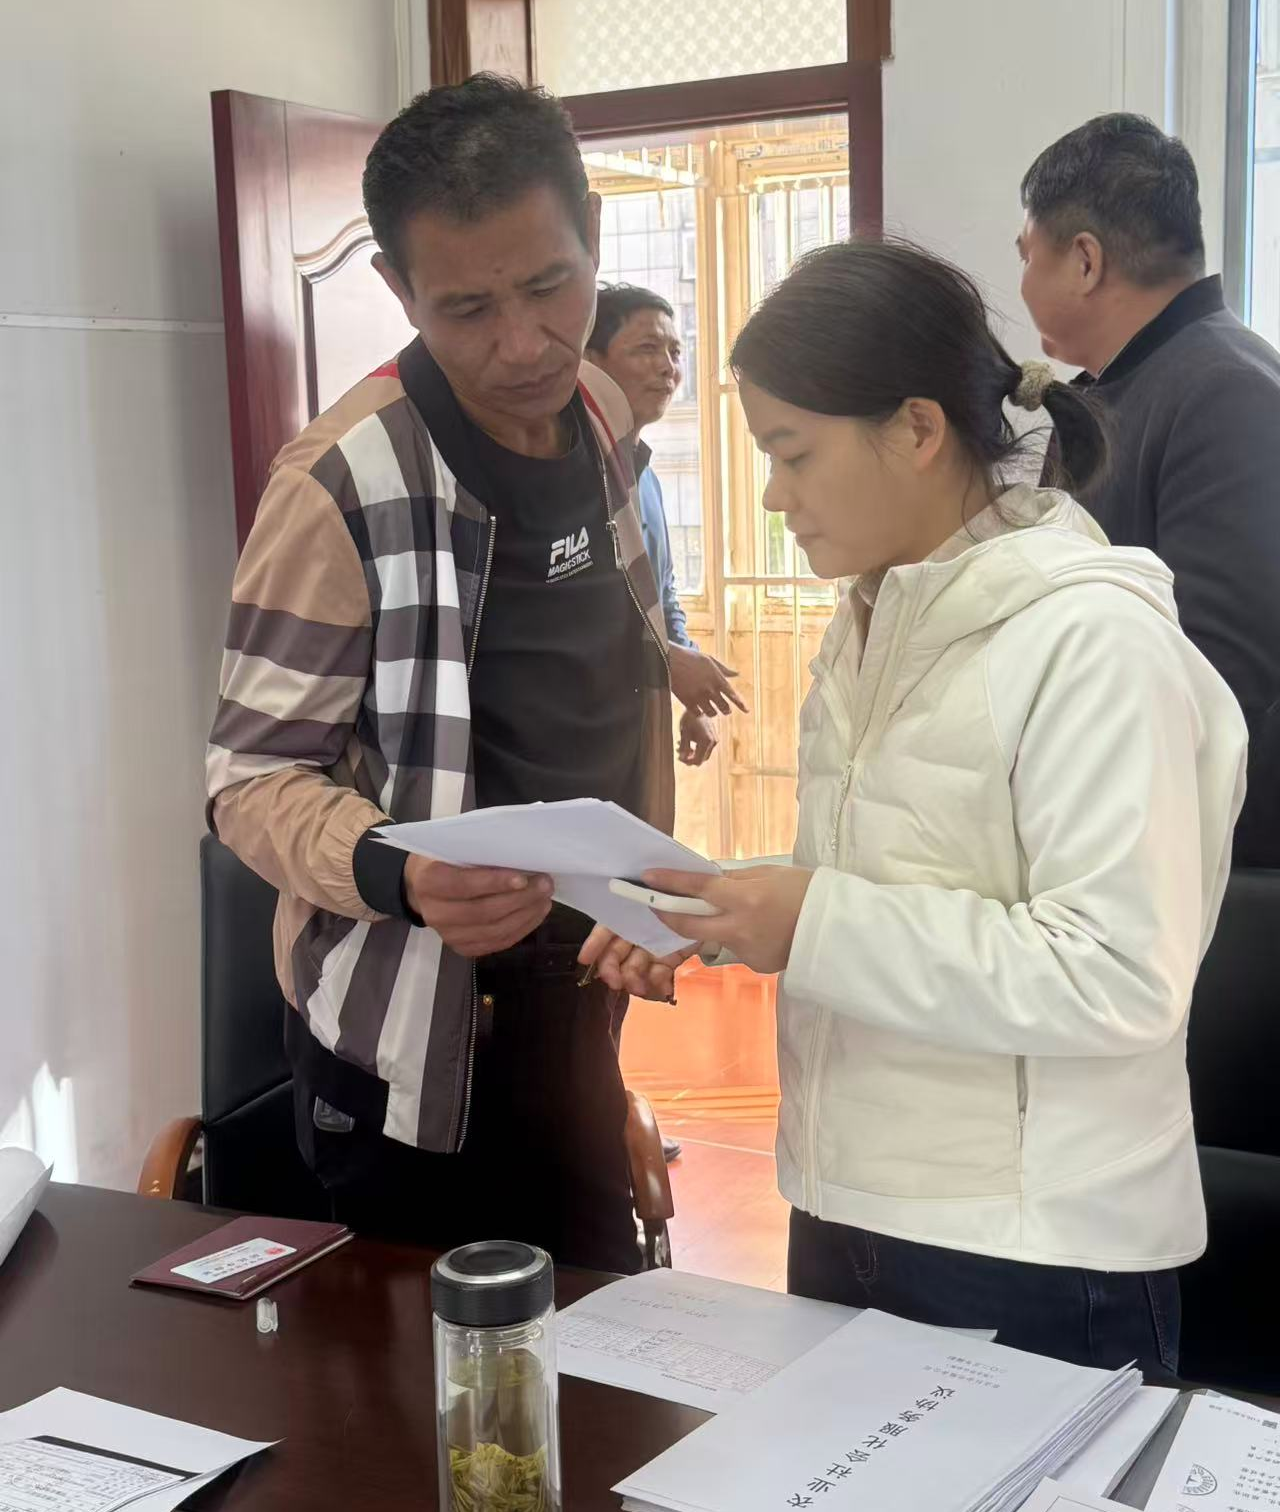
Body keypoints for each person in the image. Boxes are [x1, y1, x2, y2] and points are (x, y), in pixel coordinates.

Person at [581, 238, 1247, 1377]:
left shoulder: (1090, 641)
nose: (772, 495)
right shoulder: (873, 619)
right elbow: (883, 882)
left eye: (792, 453)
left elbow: (1116, 975)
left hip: (1032, 1247)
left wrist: (805, 919)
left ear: (918, 428)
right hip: (847, 1198)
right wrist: (722, 910)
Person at [206, 75, 676, 1275]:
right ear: (396, 289)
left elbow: (595, 658)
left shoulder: (599, 411)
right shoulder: (338, 485)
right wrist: (400, 871)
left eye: (549, 287)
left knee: (601, 1339)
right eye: (465, 308)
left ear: (593, 237)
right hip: (411, 1034)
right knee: (431, 1371)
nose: (521, 345)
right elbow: (248, 780)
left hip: (582, 992)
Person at [1018, 112, 1280, 865]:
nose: (1022, 280)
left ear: (1085, 261)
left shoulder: (1227, 391)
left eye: (1027, 254)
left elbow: (1221, 680)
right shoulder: (1115, 389)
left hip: (1182, 851)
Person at [585, 283, 747, 769]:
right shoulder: (569, 475)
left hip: (639, 720)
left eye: (676, 352)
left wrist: (690, 694)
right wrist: (669, 662)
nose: (668, 368)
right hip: (580, 726)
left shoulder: (646, 475)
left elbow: (663, 594)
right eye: (647, 349)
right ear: (591, 362)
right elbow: (568, 613)